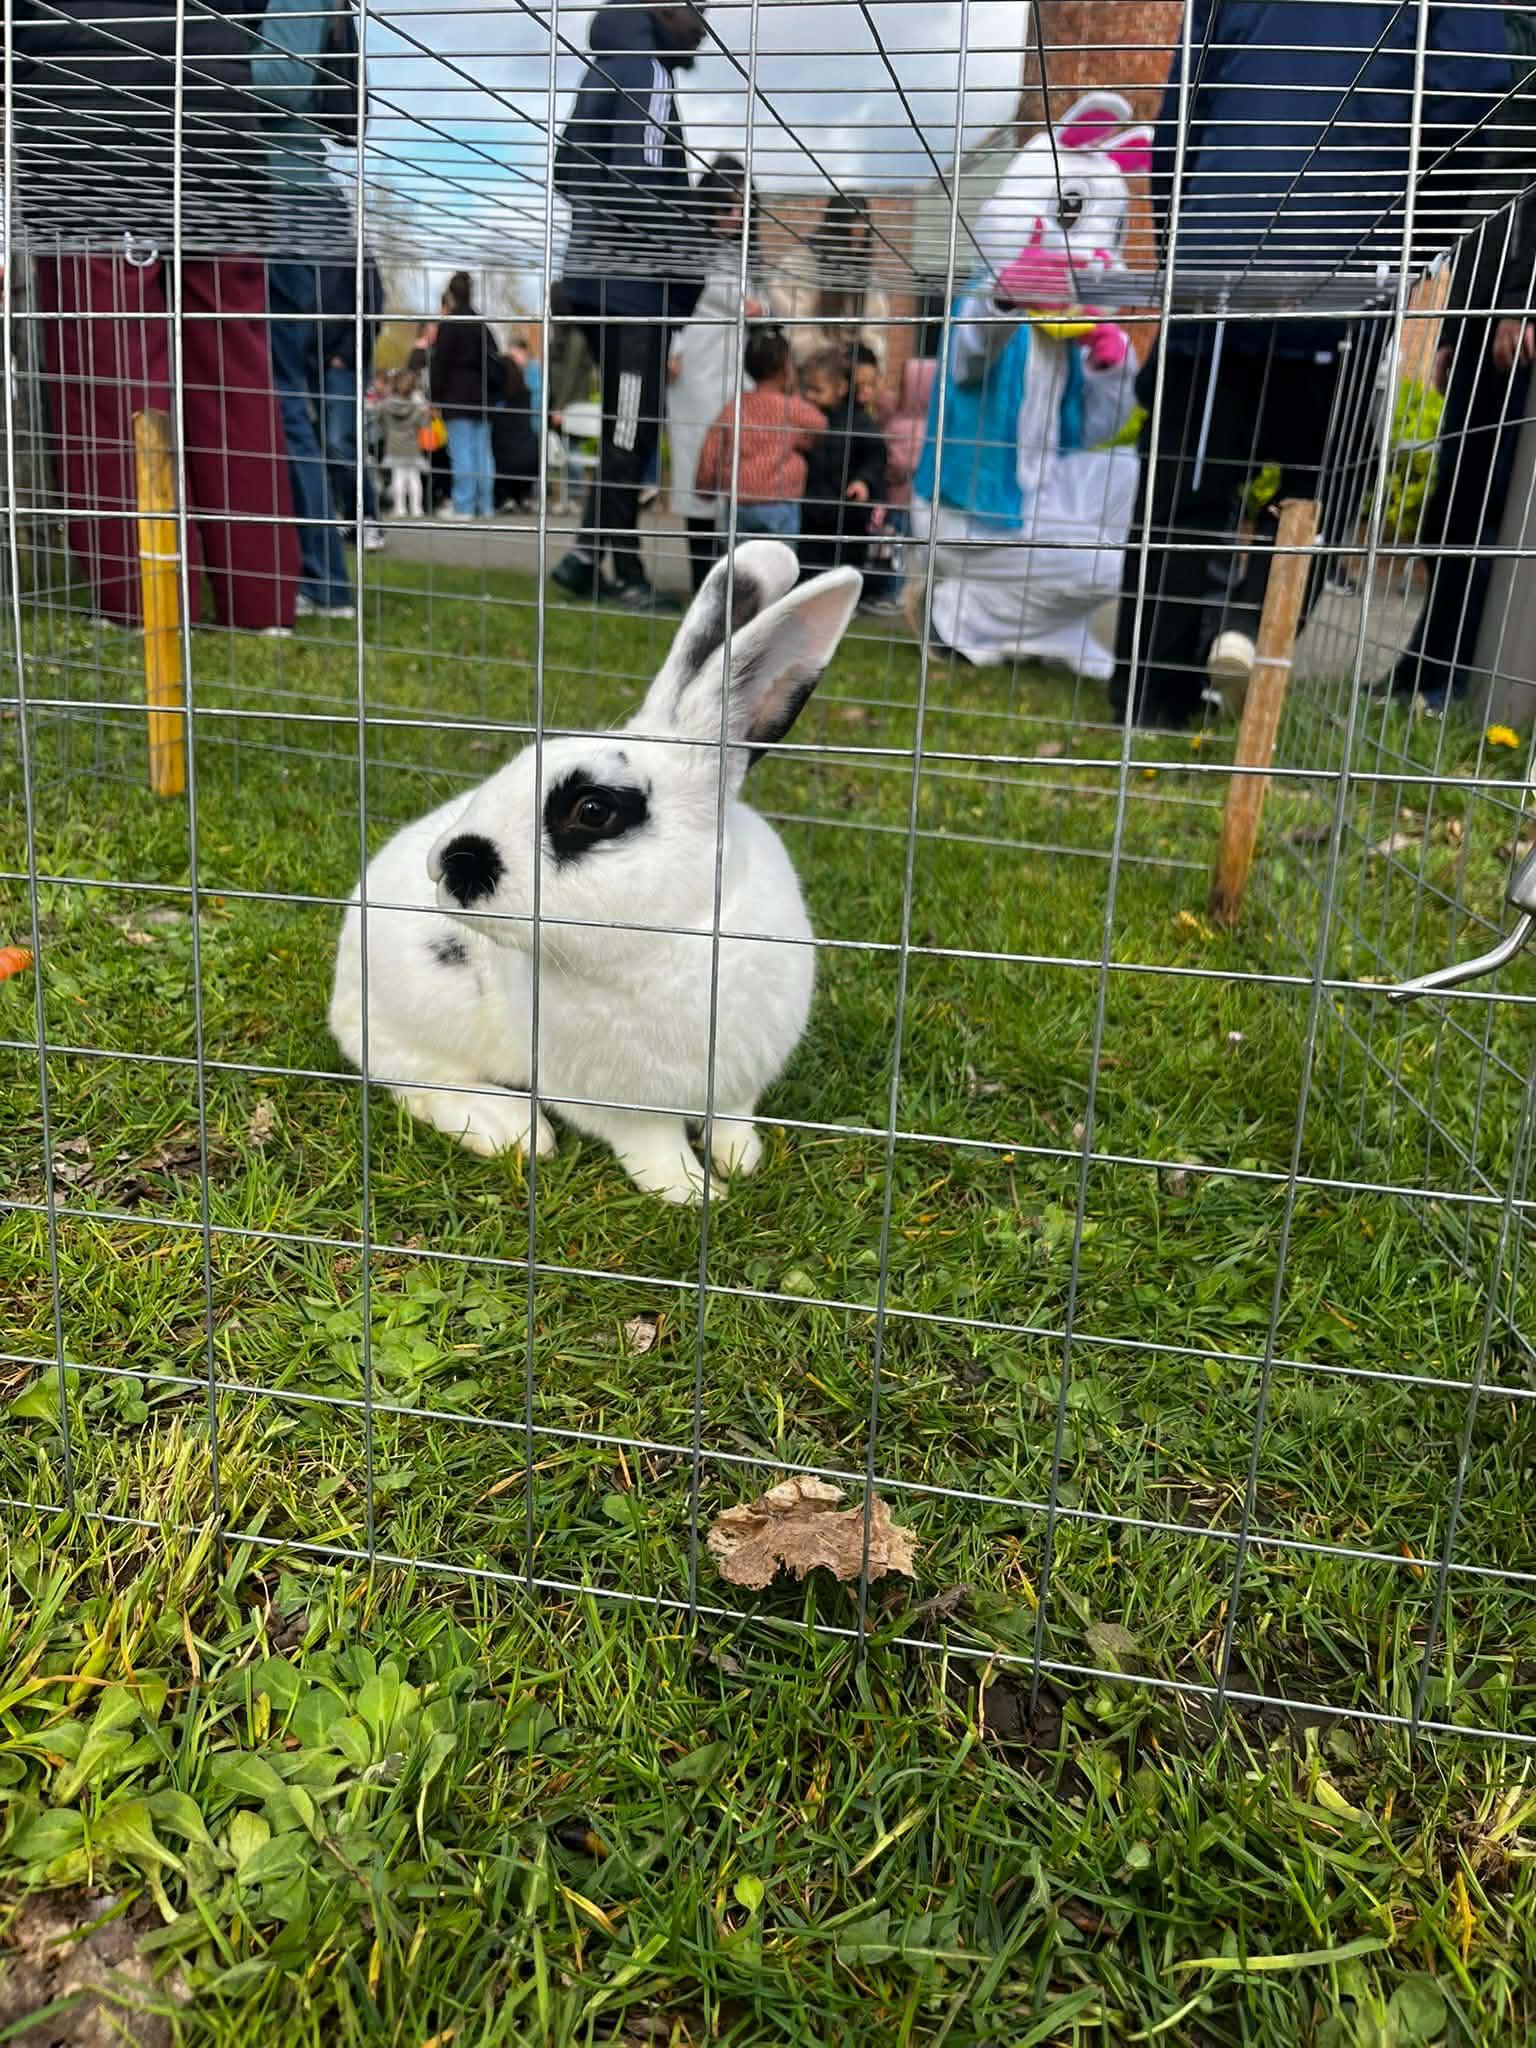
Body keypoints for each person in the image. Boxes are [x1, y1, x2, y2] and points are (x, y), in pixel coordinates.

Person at [1110, 0, 1511, 728]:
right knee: (1323, 481)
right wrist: (1411, 249)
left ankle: (1150, 695)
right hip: (1345, 259)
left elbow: (1178, 124)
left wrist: (1185, 248)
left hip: (1219, 251)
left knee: (1186, 482)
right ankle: (1249, 625)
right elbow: (1469, 99)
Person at [14, 0, 304, 632]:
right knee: (235, 367)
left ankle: (142, 599)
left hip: (89, 121)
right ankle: (260, 601)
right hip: (215, 107)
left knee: (109, 372)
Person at [909, 95, 1144, 677]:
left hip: (1036, 496)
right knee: (1107, 568)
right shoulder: (983, 299)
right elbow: (969, 357)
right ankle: (954, 616)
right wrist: (1007, 296)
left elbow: (1093, 429)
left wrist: (1111, 364)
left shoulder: (1063, 334)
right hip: (969, 510)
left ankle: (1052, 629)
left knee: (1127, 473)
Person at [549, 0, 711, 610]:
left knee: (629, 424)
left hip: (596, 278)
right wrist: (686, 256)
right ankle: (621, 574)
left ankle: (585, 558)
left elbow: (566, 169)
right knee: (629, 428)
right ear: (665, 9)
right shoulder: (649, 71)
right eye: (698, 12)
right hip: (633, 286)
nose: (704, 29)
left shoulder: (606, 66)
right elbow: (639, 180)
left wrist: (598, 236)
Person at [260, 0, 372, 622]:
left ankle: (322, 579)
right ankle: (310, 574)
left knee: (280, 397)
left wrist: (189, 72)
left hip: (284, 197)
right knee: (279, 397)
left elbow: (281, 80)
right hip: (287, 196)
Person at [668, 156, 768, 589]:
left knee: (735, 474)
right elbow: (672, 306)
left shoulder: (747, 256)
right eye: (727, 205)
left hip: (736, 376)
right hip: (694, 373)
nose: (735, 215)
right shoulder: (689, 249)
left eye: (743, 207)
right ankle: (701, 580)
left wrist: (761, 307)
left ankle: (735, 580)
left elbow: (761, 304)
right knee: (697, 472)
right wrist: (672, 349)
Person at [693, 326, 826, 553]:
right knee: (779, 562)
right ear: (786, 368)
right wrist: (795, 392)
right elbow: (820, 425)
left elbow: (712, 449)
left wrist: (705, 488)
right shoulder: (791, 407)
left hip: (739, 504)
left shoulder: (735, 406)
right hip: (779, 503)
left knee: (741, 563)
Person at [769, 191, 893, 373]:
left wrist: (864, 365)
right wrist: (830, 359)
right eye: (849, 241)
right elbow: (795, 332)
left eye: (860, 242)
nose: (855, 249)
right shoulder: (797, 267)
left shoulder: (868, 279)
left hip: (852, 373)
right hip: (809, 371)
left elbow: (875, 335)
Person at [798, 345, 888, 578]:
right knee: (809, 568)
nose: (809, 396)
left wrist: (863, 481)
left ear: (841, 388)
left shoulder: (860, 421)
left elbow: (876, 457)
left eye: (817, 390)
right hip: (812, 511)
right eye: (807, 389)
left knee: (844, 571)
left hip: (849, 513)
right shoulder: (805, 416)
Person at [429, 272, 502, 522]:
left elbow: (440, 364)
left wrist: (435, 397)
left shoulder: (449, 325)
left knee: (461, 452)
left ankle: (464, 506)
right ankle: (485, 505)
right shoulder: (482, 325)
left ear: (450, 295)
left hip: (456, 396)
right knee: (483, 453)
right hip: (482, 396)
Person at [492, 342, 541, 513]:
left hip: (514, 451)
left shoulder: (502, 395)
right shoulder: (524, 391)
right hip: (527, 449)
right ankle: (521, 497)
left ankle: (508, 497)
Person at [379, 370, 431, 521]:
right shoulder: (417, 407)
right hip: (412, 446)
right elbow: (424, 424)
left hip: (394, 446)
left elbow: (380, 421)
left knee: (398, 478)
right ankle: (417, 508)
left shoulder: (386, 405)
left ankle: (399, 508)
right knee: (414, 478)